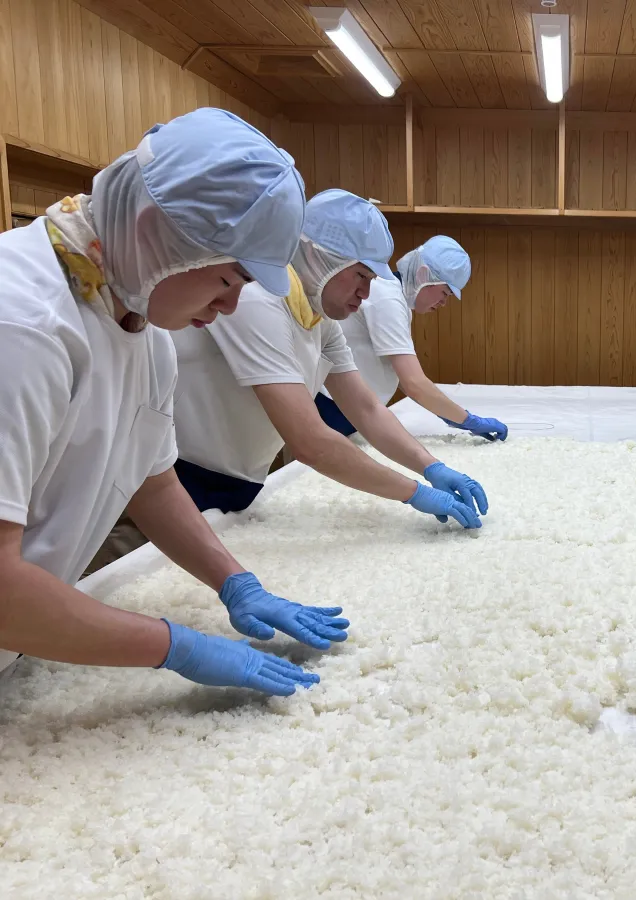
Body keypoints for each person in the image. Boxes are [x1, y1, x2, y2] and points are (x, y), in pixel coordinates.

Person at [0, 108, 341, 696]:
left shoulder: (145, 330)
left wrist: (235, 583)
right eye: (228, 280)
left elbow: (152, 485)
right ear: (154, 231)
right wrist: (174, 646)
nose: (229, 307)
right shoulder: (24, 326)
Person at [171, 190, 489, 529]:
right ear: (320, 255)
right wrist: (414, 492)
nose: (366, 293)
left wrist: (431, 466)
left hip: (237, 481)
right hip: (184, 477)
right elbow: (309, 441)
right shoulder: (257, 301)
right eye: (361, 275)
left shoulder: (318, 319)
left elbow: (366, 409)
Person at [314, 235, 507, 442]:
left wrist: (451, 415)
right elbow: (414, 383)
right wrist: (467, 420)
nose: (443, 303)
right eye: (445, 293)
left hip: (346, 408)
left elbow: (402, 376)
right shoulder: (387, 298)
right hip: (333, 410)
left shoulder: (395, 298)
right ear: (424, 275)